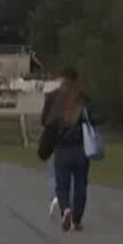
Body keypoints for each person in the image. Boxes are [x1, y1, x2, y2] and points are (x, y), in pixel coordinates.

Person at [41, 66, 93, 232]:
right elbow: (92, 119)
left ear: (62, 77)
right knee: (80, 183)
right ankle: (76, 219)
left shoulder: (52, 97)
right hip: (80, 147)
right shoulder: (82, 98)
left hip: (61, 147)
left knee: (61, 183)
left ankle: (66, 209)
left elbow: (45, 120)